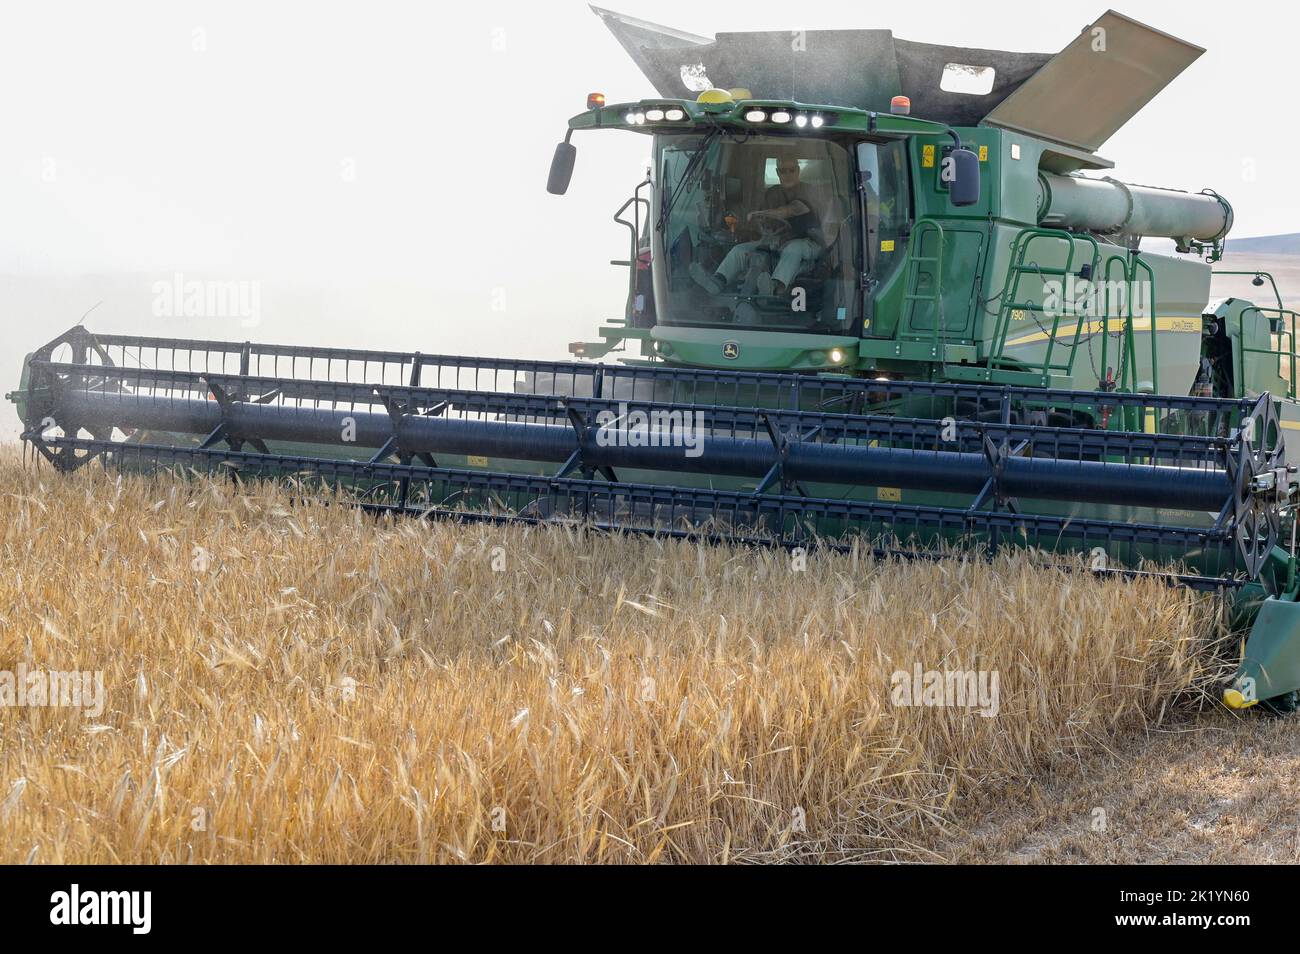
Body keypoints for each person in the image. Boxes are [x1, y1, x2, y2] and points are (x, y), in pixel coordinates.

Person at [690, 158, 822, 297]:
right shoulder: (772, 193)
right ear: (777, 173)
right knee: (739, 250)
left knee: (794, 248)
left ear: (798, 170)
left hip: (809, 242)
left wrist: (761, 213)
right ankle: (717, 281)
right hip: (778, 240)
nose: (788, 174)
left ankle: (776, 287)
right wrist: (763, 229)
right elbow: (764, 222)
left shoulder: (808, 190)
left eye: (792, 170)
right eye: (783, 171)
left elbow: (791, 210)